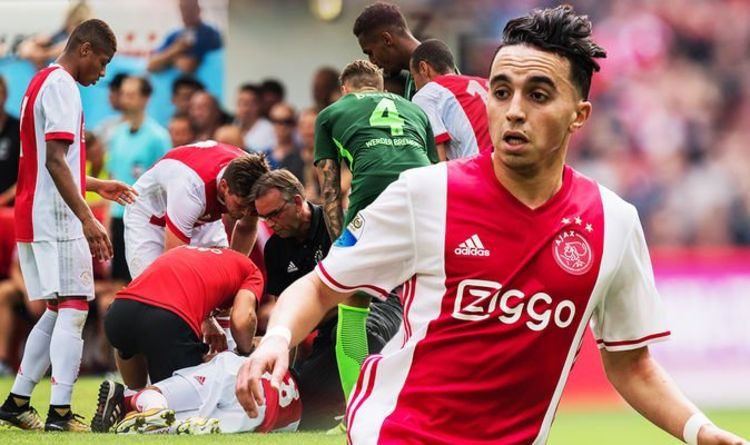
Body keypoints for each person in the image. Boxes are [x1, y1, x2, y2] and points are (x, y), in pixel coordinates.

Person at [236, 6, 749, 445]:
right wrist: (278, 338)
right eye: (501, 92)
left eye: (539, 95)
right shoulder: (425, 195)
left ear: (580, 114)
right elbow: (321, 287)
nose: (514, 111)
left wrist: (699, 430)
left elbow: (631, 365)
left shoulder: (613, 223)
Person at [0, 19, 137, 433]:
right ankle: (60, 414)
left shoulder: (40, 81)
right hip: (57, 217)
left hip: (35, 212)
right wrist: (87, 218)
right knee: (75, 308)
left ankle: (17, 401)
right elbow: (56, 161)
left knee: (59, 309)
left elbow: (52, 163)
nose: (103, 72)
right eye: (103, 61)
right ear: (84, 49)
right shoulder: (62, 86)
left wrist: (96, 184)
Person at [313, 59, 436, 423]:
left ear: (345, 89)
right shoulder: (415, 111)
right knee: (428, 308)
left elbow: (329, 188)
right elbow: (434, 168)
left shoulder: (332, 113)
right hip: (429, 204)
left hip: (373, 205)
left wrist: (340, 249)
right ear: (380, 86)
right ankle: (426, 410)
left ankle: (356, 417)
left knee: (352, 306)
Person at [251, 169, 401, 430]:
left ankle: (372, 411)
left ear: (297, 201)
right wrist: (286, 369)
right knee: (306, 397)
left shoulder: (340, 223)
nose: (271, 223)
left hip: (374, 307)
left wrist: (311, 315)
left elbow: (356, 290)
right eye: (265, 218)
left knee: (357, 334)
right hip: (329, 327)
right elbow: (285, 314)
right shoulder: (275, 249)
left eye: (275, 214)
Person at [92, 245, 263, 432]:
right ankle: (128, 403)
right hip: (166, 321)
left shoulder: (191, 253)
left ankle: (127, 396)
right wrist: (245, 352)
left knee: (131, 343)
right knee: (188, 399)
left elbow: (178, 288)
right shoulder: (251, 270)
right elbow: (243, 320)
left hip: (119, 313)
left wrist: (208, 319)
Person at [123, 141, 267, 278]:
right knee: (158, 285)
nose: (245, 213)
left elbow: (246, 228)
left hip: (198, 209)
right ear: (224, 187)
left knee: (222, 279)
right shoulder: (191, 188)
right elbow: (173, 262)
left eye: (252, 208)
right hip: (150, 215)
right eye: (240, 206)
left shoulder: (253, 178)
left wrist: (233, 274)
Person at [97, 351, 301, 435]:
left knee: (155, 394)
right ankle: (154, 418)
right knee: (184, 424)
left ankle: (152, 409)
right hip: (273, 414)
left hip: (240, 377)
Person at [107, 75, 172, 288]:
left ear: (145, 98)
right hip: (119, 216)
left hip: (144, 218)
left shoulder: (158, 137)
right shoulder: (117, 134)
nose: (126, 100)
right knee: (117, 282)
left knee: (142, 281)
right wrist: (108, 220)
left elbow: (166, 181)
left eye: (132, 95)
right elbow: (112, 176)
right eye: (124, 94)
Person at [410, 39, 492, 160]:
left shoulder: (426, 94)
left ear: (424, 68)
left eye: (413, 78)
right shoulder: (486, 84)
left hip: (479, 167)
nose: (415, 87)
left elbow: (438, 157)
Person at [353, 2, 421, 99]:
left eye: (370, 53)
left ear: (387, 39)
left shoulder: (433, 71)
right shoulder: (415, 75)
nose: (372, 62)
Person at [147, 0, 222, 74]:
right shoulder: (174, 34)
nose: (185, 13)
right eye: (182, 9)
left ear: (198, 9)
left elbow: (187, 66)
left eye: (189, 8)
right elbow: (151, 65)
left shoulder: (209, 34)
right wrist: (176, 49)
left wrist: (166, 59)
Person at [16, 1, 92, 70]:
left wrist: (43, 55)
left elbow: (67, 49)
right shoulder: (61, 33)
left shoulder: (84, 39)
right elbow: (26, 49)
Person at [266, 103, 304, 182]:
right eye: (276, 121)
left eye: (287, 121)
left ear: (294, 124)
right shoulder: (264, 156)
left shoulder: (303, 155)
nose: (281, 126)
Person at [235, 83, 275, 153]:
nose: (243, 109)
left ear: (258, 105)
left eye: (247, 104)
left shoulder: (269, 130)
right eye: (240, 103)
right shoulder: (234, 125)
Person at [0, 76, 20, 207]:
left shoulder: (18, 129)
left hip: (11, 208)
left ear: (5, 95)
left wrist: (4, 199)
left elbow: (28, 174)